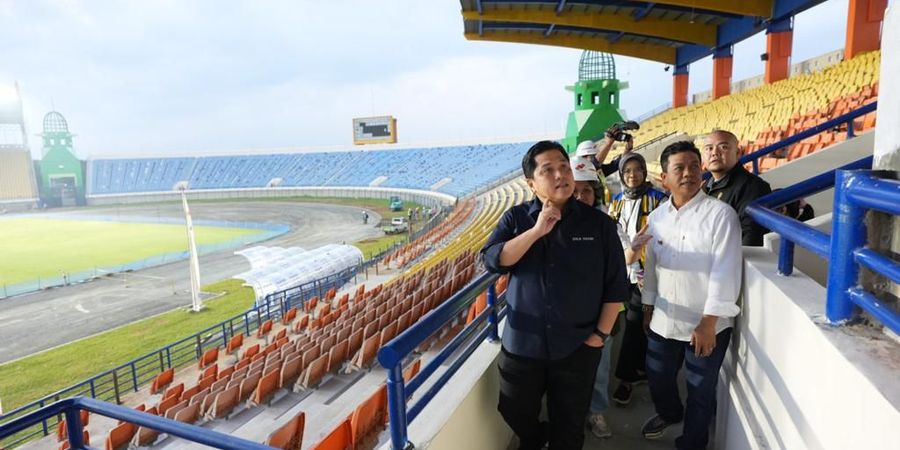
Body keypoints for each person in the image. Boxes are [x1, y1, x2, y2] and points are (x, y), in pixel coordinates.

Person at [481, 140, 628, 450]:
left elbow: (615, 286)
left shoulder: (599, 224)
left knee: (570, 428)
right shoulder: (516, 218)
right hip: (523, 346)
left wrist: (599, 336)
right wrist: (536, 231)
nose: (561, 174)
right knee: (513, 410)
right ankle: (535, 438)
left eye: (564, 167)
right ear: (531, 183)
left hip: (577, 347)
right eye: (548, 170)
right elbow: (494, 260)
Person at [640, 141, 742, 449]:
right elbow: (654, 264)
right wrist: (647, 305)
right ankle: (670, 413)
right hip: (663, 317)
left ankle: (692, 442)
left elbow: (726, 271)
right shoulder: (658, 218)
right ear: (664, 179)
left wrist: (709, 322)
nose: (689, 173)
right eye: (679, 168)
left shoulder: (720, 215)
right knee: (658, 377)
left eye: (694, 166)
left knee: (700, 390)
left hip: (705, 324)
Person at [570, 156, 651, 439]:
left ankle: (596, 412)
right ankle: (570, 415)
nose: (581, 196)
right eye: (575, 190)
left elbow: (621, 267)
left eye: (587, 190)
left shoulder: (607, 224)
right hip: (567, 317)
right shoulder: (552, 224)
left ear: (595, 192)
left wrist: (636, 246)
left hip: (602, 314)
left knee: (600, 368)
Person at [607, 153, 668, 406]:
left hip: (656, 274)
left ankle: (631, 376)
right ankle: (631, 376)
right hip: (628, 273)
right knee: (635, 323)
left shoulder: (659, 200)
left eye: (637, 170)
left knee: (644, 324)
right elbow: (614, 234)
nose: (633, 175)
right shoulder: (617, 202)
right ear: (622, 175)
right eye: (627, 171)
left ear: (644, 171)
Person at [702, 130, 772, 246]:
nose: (714, 153)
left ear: (738, 152)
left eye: (723, 147)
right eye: (709, 148)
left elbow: (751, 237)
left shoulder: (753, 186)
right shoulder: (706, 186)